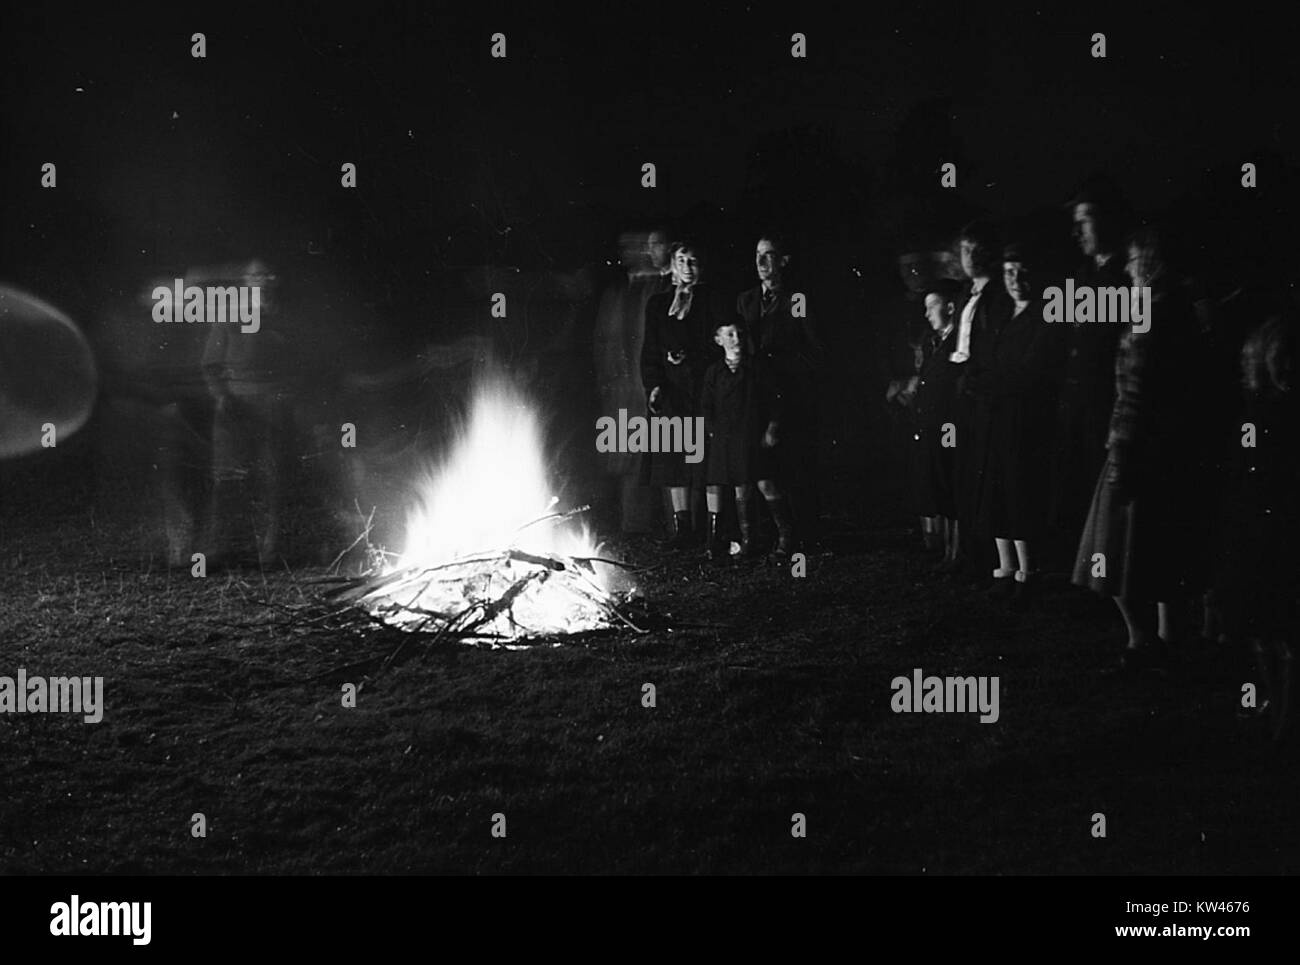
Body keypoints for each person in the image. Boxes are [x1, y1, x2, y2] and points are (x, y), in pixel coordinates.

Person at [1072, 227, 1209, 669]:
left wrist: (1121, 447)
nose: (1127, 271)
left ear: (1147, 264)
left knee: (1112, 547)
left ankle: (1140, 640)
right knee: (1159, 547)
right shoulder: (1183, 310)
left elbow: (1135, 387)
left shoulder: (1148, 313)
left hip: (1139, 445)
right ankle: (1168, 637)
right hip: (1172, 447)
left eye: (1132, 263)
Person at [1217, 312, 1299, 740]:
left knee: (1281, 631)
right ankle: (1272, 706)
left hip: (1279, 530)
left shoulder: (1276, 411)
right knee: (1262, 630)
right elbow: (1246, 466)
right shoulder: (1256, 412)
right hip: (1258, 529)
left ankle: (1284, 718)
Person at [968, 244, 1063, 606]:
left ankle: (1029, 571)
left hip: (1024, 420)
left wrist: (991, 384)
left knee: (1020, 493)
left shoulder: (1043, 317)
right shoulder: (1003, 314)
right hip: (996, 418)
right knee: (997, 492)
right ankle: (1005, 568)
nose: (1016, 281)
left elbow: (1033, 371)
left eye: (1022, 273)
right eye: (1009, 273)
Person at [1050, 179, 1132, 566]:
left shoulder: (1131, 278)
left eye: (1086, 221)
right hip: (1076, 407)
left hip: (1109, 407)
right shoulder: (1080, 277)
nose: (1076, 231)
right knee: (1077, 491)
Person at [736, 232, 824, 549]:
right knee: (758, 466)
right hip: (755, 396)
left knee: (792, 465)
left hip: (789, 394)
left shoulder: (795, 301)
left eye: (769, 255)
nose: (761, 262)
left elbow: (810, 348)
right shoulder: (746, 300)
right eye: (758, 255)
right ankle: (762, 535)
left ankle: (800, 535)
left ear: (783, 261)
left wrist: (786, 376)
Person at [640, 240, 722, 548]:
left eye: (693, 261)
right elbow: (650, 350)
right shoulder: (659, 305)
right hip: (671, 393)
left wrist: (689, 356)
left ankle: (711, 530)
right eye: (682, 261)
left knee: (706, 460)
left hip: (702, 390)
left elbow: (719, 343)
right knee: (673, 461)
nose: (688, 268)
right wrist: (654, 385)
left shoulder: (711, 300)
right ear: (673, 265)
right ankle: (683, 529)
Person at [945, 220, 1013, 576]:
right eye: (963, 251)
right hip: (963, 389)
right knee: (964, 471)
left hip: (984, 391)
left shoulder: (998, 297)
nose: (967, 257)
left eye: (972, 250)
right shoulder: (965, 295)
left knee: (985, 473)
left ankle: (990, 559)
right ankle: (968, 553)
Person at [700, 318, 794, 560]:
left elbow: (775, 401)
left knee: (765, 483)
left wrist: (772, 429)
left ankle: (786, 537)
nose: (736, 339)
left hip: (753, 436)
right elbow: (707, 407)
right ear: (718, 340)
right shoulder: (714, 371)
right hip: (727, 440)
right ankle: (748, 541)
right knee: (740, 488)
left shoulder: (757, 368)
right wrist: (714, 433)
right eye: (729, 335)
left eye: (739, 334)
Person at [908, 280, 962, 564]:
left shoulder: (958, 343)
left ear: (950, 308)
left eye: (933, 306)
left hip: (949, 426)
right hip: (931, 426)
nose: (927, 313)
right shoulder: (933, 344)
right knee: (938, 482)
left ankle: (957, 552)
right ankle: (944, 549)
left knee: (950, 480)